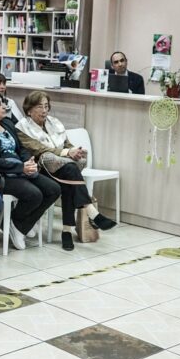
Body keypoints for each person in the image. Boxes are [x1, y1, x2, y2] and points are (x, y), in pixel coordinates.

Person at [16, 91, 116, 250]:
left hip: (61, 169)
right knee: (70, 172)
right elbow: (39, 149)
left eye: (46, 106)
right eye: (40, 107)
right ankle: (90, 214)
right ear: (29, 110)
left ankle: (67, 231)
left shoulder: (53, 122)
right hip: (40, 170)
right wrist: (67, 152)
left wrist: (75, 151)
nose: (44, 110)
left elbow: (66, 144)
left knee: (69, 178)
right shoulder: (22, 127)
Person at [0, 90, 58, 251]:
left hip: (19, 169)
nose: (4, 106)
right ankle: (17, 226)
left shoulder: (7, 123)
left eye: (3, 102)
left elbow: (21, 148)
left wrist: (28, 161)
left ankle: (18, 225)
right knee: (34, 194)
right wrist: (21, 167)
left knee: (53, 189)